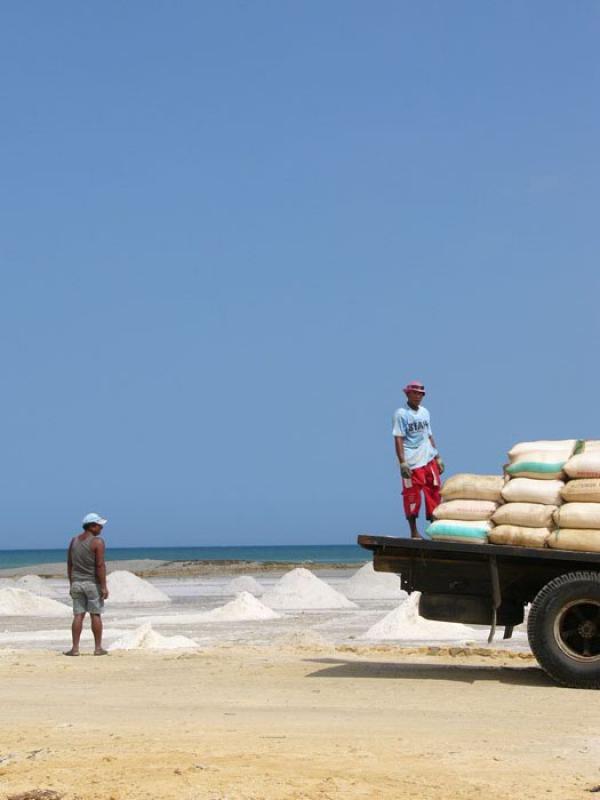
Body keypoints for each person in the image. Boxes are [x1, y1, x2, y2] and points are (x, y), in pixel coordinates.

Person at [392, 381, 444, 539]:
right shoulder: (401, 414)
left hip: (428, 458)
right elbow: (398, 438)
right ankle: (414, 531)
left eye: (420, 394)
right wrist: (402, 462)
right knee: (412, 495)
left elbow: (428, 435)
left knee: (434, 492)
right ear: (407, 394)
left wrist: (438, 456)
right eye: (415, 393)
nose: (418, 396)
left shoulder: (425, 412)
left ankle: (434, 529)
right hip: (412, 462)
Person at [64, 512, 109, 656]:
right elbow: (100, 565)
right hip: (91, 584)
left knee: (78, 615)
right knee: (95, 615)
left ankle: (75, 649)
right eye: (99, 525)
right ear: (91, 526)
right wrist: (103, 586)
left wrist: (72, 583)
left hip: (77, 583)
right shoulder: (97, 542)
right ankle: (98, 648)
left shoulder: (74, 541)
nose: (101, 528)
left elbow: (70, 564)